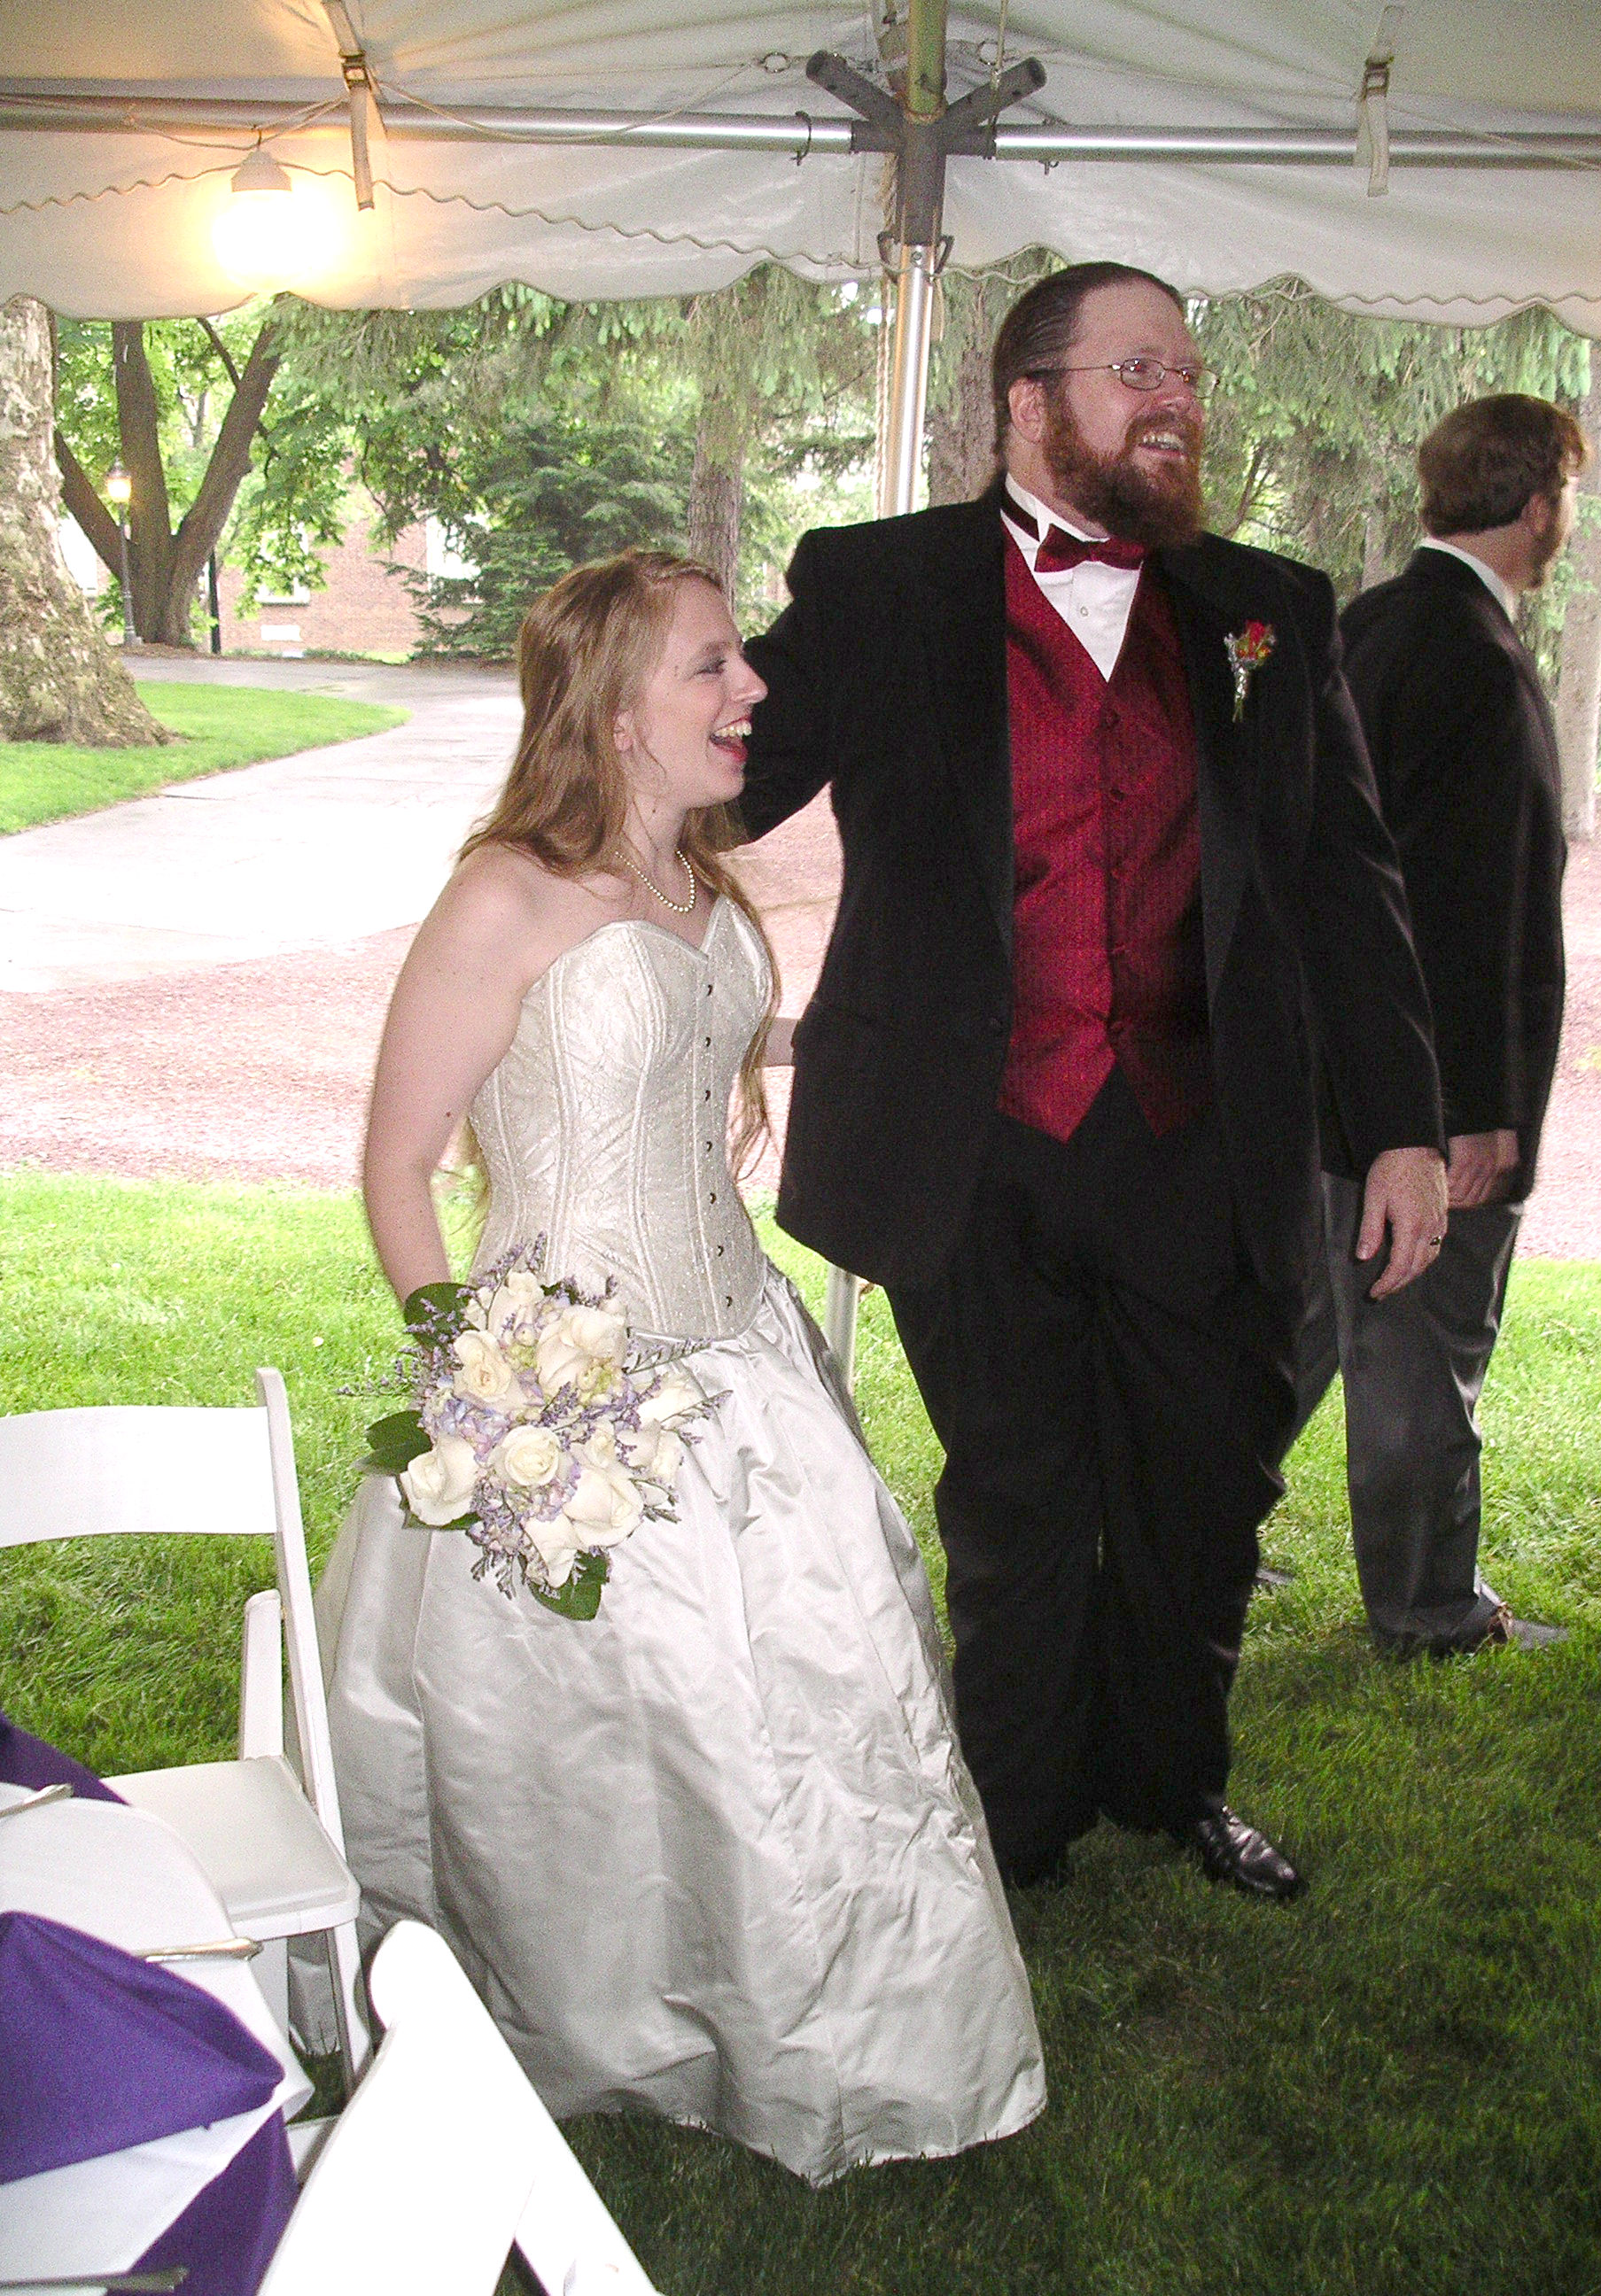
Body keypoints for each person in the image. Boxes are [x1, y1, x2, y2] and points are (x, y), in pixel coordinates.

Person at [316, 550, 1045, 2187]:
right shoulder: (505, 895)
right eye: (713, 665)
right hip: (560, 1387)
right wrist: (487, 1391)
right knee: (586, 1741)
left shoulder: (701, 891)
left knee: (812, 1709)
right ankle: (580, 2015)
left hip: (740, 1357)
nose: (754, 688)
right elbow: (399, 1167)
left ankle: (816, 2014)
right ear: (617, 709)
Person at [740, 263, 1447, 1904]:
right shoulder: (880, 585)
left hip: (1205, 1138)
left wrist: (1405, 1129)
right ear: (1029, 400)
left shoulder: (1269, 607)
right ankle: (1020, 1820)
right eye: (1138, 371)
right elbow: (727, 774)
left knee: (1205, 1486)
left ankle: (1171, 1781)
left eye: (1186, 376)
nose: (1176, 401)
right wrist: (570, 856)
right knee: (1016, 1496)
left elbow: (1347, 882)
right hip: (969, 1141)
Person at [1290, 394, 1587, 1656]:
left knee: (1298, 1333)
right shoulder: (1473, 656)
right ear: (1540, 507)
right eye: (1567, 497)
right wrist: (1475, 1109)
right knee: (1418, 1345)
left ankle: (1186, 1530)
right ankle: (1428, 1608)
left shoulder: (1363, 625)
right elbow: (1467, 912)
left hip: (1322, 1069)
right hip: (1421, 1093)